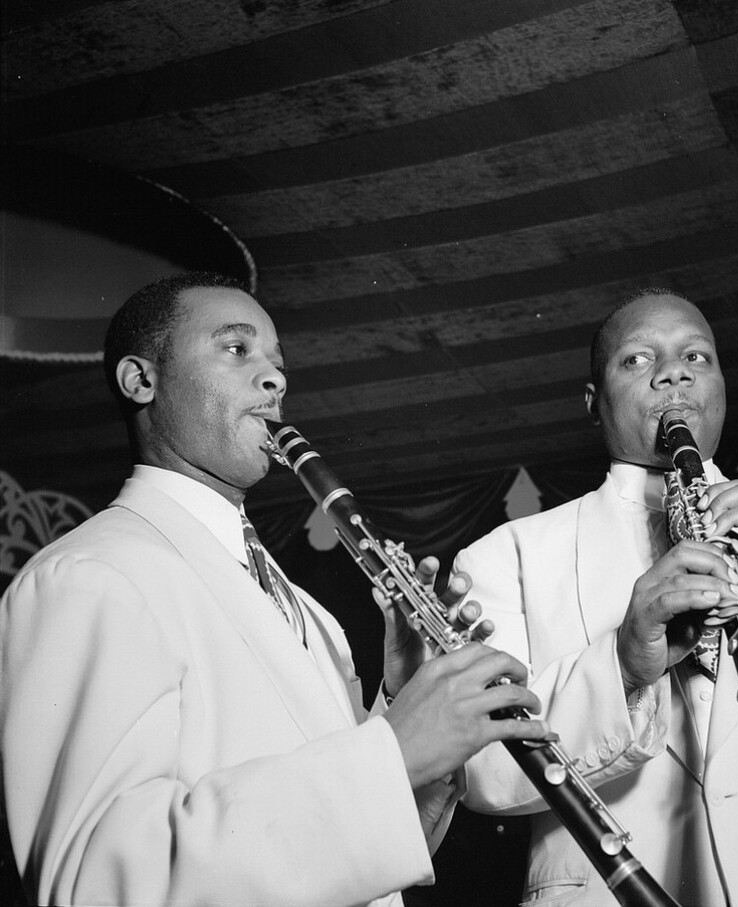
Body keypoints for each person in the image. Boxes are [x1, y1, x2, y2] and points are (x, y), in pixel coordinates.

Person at [0, 271, 558, 907]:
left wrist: (404, 704)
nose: (276, 379)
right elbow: (98, 882)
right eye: (237, 350)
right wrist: (393, 752)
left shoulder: (312, 615)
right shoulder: (88, 577)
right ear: (141, 380)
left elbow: (357, 857)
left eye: (277, 363)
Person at [455, 289, 738, 907]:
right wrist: (622, 664)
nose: (673, 373)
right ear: (594, 403)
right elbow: (484, 775)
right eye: (637, 360)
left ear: (722, 385)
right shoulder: (504, 555)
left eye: (696, 357)